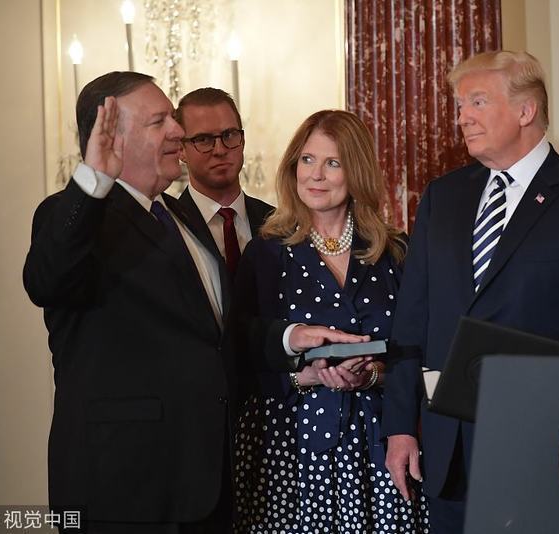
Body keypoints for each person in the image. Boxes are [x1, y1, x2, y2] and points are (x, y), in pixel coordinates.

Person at [23, 72, 365, 532]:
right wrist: (92, 180)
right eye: (159, 121)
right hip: (125, 485)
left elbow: (213, 334)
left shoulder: (177, 216)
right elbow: (46, 281)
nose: (178, 131)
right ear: (113, 138)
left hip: (204, 480)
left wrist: (290, 338)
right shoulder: (77, 217)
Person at [381, 51, 559, 532]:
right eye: (459, 105)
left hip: (542, 448)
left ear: (525, 111)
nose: (462, 118)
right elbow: (411, 321)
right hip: (447, 453)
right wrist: (400, 427)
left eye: (477, 102)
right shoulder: (442, 197)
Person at [234, 110, 429, 533]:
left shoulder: (395, 250)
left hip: (381, 444)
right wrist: (305, 377)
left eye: (332, 163)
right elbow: (239, 352)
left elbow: (418, 349)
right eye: (307, 160)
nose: (316, 175)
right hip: (291, 450)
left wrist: (372, 375)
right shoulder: (266, 252)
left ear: (356, 171)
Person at [175, 88, 273, 283]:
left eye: (229, 135)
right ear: (181, 150)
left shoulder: (278, 223)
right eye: (203, 140)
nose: (219, 150)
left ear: (242, 140)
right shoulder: (170, 229)